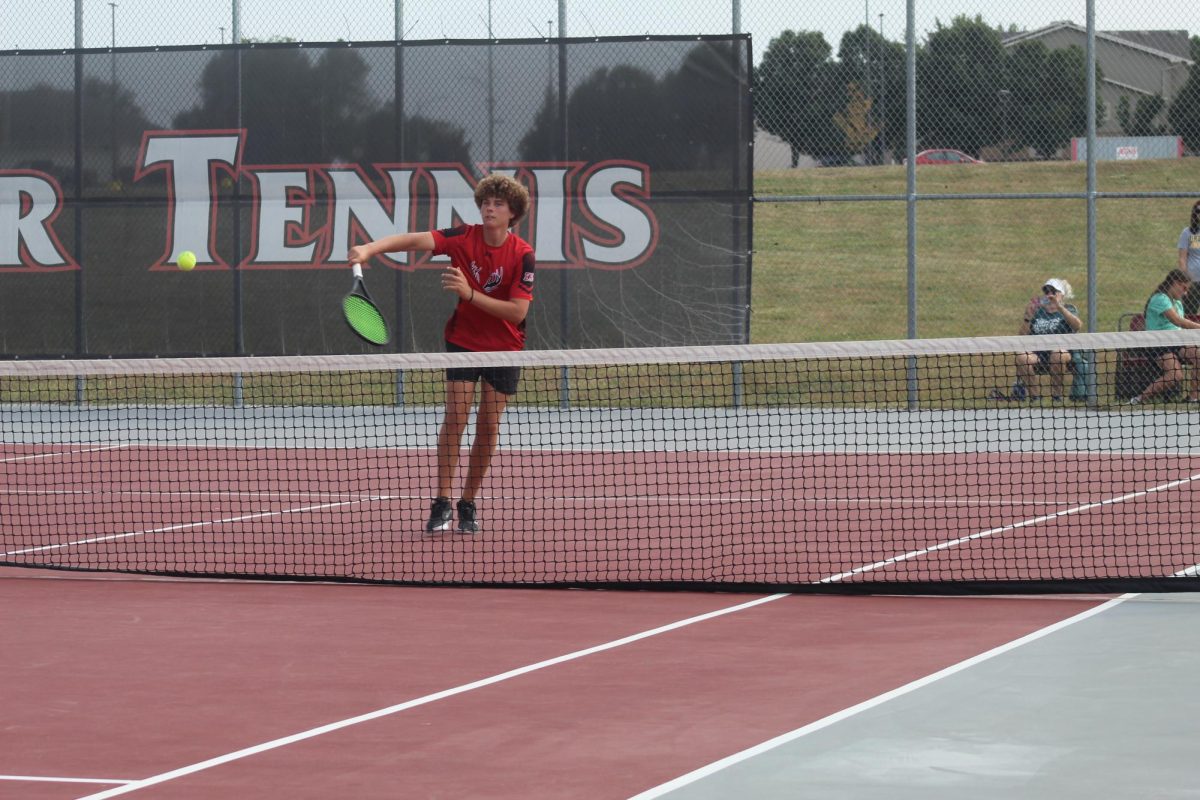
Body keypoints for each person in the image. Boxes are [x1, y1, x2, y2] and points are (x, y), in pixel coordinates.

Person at [347, 174, 535, 533]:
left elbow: (517, 312)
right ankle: (443, 501)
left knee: (489, 425)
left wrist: (469, 294)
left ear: (513, 213)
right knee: (456, 416)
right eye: (486, 202)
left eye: (498, 203)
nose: (489, 208)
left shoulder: (523, 255)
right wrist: (370, 249)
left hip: (505, 348)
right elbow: (415, 239)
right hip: (463, 341)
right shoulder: (463, 237)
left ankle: (468, 502)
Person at [1128, 268, 1200, 405]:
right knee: (1175, 375)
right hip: (1158, 344)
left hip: (1177, 342)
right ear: (1174, 283)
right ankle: (1138, 399)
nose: (1185, 293)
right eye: (1183, 288)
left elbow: (1178, 327)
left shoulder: (1177, 302)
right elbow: (1178, 321)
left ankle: (1193, 398)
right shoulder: (1160, 299)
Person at [1011, 278, 1082, 402]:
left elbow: (1077, 326)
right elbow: (1022, 336)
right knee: (1022, 356)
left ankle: (1056, 396)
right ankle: (1035, 397)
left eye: (1053, 292)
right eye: (1046, 291)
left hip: (1063, 352)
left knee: (1057, 354)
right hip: (1039, 353)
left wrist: (1060, 308)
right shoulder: (1038, 312)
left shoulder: (1068, 310)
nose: (1049, 295)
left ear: (1061, 295)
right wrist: (1027, 318)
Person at [1177, 201, 1200, 314]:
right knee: (1190, 312)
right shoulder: (1188, 233)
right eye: (1199, 211)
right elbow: (1182, 258)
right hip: (1193, 281)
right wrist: (1185, 279)